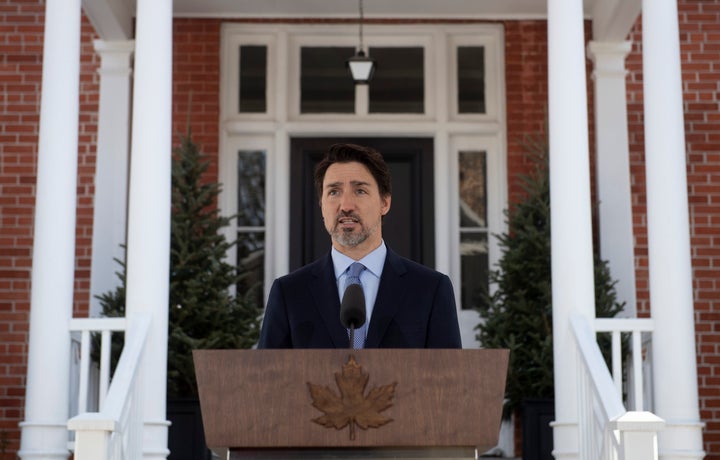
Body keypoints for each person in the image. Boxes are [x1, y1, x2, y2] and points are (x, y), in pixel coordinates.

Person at [257, 143, 461, 348]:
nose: (346, 206)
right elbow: (268, 377)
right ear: (321, 205)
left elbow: (450, 377)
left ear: (385, 203)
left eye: (360, 191)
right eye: (334, 192)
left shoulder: (430, 290)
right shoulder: (289, 293)